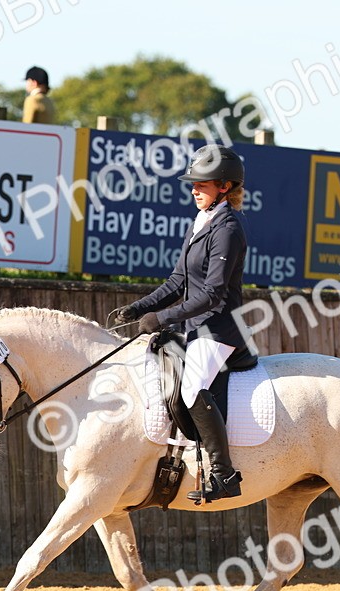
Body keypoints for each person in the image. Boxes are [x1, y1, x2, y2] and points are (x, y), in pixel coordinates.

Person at [110, 145, 249, 503]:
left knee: (191, 389)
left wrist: (162, 318)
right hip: (196, 326)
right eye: (193, 184)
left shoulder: (228, 229)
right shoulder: (201, 221)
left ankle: (224, 475)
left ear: (224, 186)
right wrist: (139, 307)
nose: (194, 190)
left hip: (218, 329)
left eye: (202, 184)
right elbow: (177, 281)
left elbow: (213, 294)